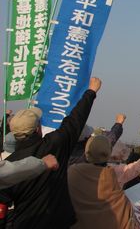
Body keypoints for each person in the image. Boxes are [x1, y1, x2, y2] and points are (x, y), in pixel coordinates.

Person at [0, 77, 102, 229]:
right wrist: (91, 92)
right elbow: (75, 121)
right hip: (59, 223)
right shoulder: (55, 145)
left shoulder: (10, 164)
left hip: (25, 223)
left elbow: (2, 206)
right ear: (37, 129)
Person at [67, 135, 136, 229]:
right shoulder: (113, 174)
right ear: (109, 153)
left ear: (87, 151)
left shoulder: (72, 172)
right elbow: (134, 168)